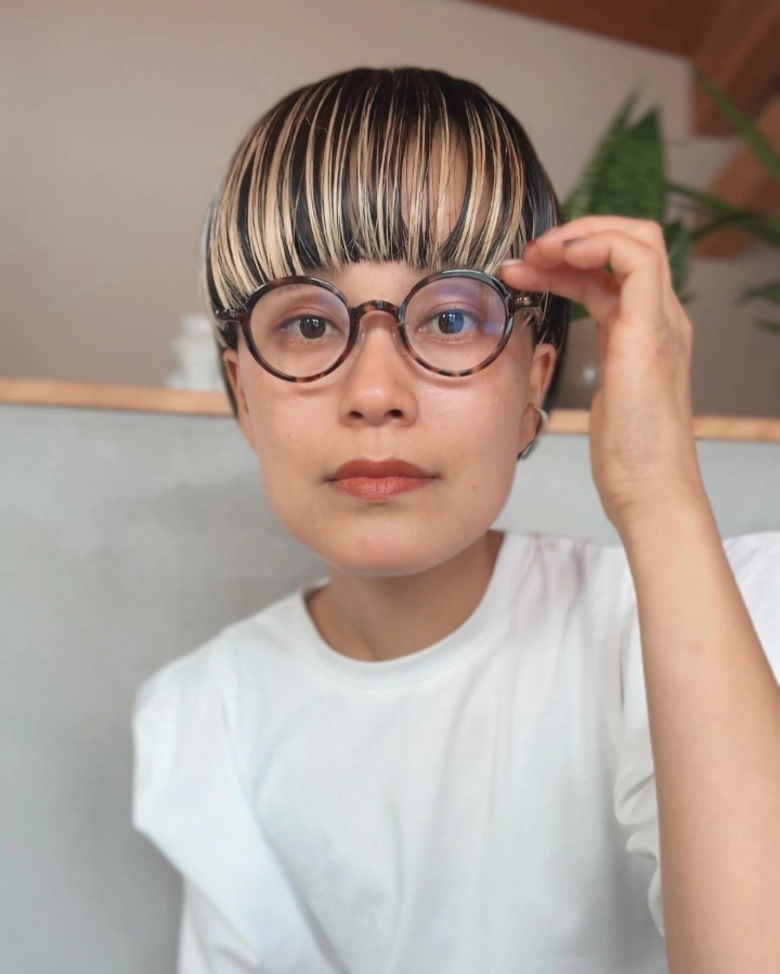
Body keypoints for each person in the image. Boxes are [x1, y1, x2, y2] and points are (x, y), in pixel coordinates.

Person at [131, 67, 780, 974]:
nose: (374, 392)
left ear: (534, 386)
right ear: (242, 391)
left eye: (450, 318)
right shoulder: (207, 714)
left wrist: (658, 486)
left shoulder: (711, 615)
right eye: (309, 327)